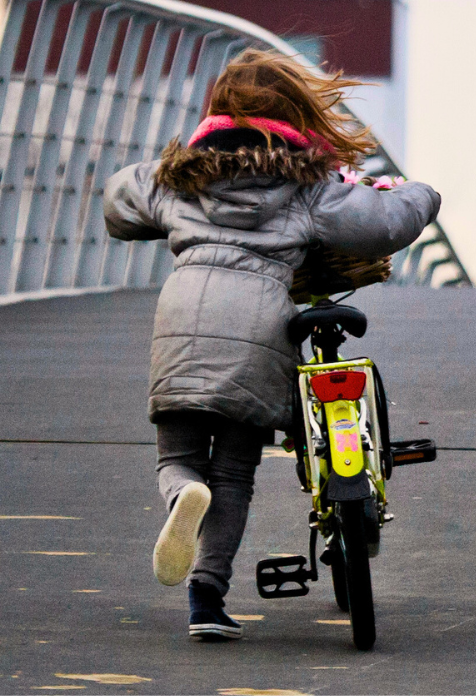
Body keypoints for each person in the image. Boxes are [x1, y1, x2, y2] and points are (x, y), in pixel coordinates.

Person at [104, 50, 441, 642]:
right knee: (234, 473)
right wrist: (422, 196)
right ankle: (207, 596)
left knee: (178, 459)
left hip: (180, 321)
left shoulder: (179, 179)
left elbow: (117, 204)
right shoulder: (305, 188)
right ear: (295, 114)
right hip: (260, 329)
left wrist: (161, 186)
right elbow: (383, 222)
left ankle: (185, 495)